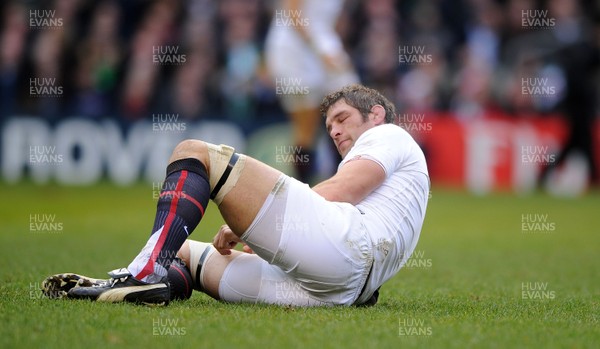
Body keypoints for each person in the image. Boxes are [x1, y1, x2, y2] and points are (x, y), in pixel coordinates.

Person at [42, 84, 430, 306]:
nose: (334, 131)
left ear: (376, 114)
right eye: (329, 127)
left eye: (342, 119)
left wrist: (245, 229)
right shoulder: (397, 166)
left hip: (342, 254)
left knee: (196, 153)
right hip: (340, 291)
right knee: (185, 254)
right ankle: (153, 285)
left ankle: (143, 272)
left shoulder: (388, 134)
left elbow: (345, 190)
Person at [265, 0, 359, 183]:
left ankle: (343, 181)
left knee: (351, 108)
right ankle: (304, 189)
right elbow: (292, 14)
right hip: (294, 50)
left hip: (324, 43)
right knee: (306, 127)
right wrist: (321, 52)